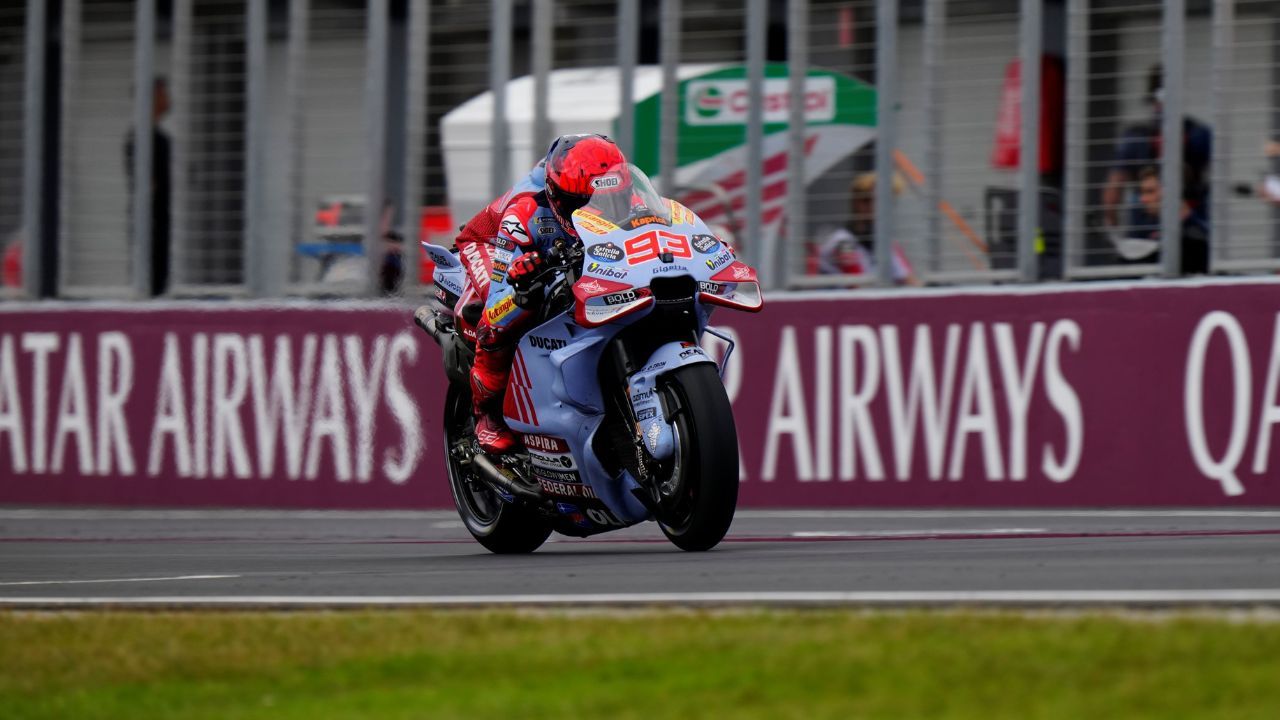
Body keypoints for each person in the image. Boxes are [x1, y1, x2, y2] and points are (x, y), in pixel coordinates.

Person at [469, 133, 629, 454]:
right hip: (487, 246)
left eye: (610, 200)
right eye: (585, 204)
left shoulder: (628, 196)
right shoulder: (525, 214)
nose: (599, 210)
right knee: (499, 318)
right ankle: (487, 415)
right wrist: (523, 286)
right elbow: (498, 302)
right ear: (558, 196)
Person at [1101, 64, 1212, 237]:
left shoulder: (1134, 138)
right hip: (1189, 222)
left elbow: (1113, 189)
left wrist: (1112, 222)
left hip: (1143, 226)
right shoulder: (1199, 134)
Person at [812, 172, 919, 285]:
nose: (884, 209)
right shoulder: (842, 243)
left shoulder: (884, 242)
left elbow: (910, 281)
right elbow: (858, 290)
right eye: (877, 202)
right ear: (859, 203)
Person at [124, 76, 173, 297]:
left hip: (161, 221)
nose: (168, 98)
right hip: (149, 223)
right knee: (148, 280)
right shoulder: (140, 139)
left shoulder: (159, 138)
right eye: (162, 93)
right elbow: (146, 184)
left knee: (160, 280)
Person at [1131, 164, 1209, 274]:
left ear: (1170, 192)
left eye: (1150, 191)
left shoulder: (1196, 235)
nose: (1143, 199)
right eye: (1142, 192)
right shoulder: (1148, 228)